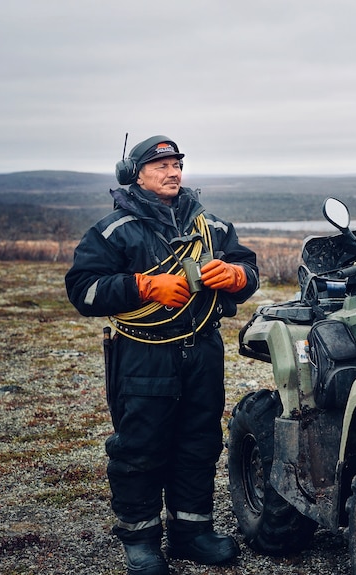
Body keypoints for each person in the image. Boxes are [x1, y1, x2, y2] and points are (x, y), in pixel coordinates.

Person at [65, 135, 259, 575]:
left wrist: (234, 275)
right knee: (140, 446)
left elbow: (250, 272)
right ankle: (141, 541)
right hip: (142, 353)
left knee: (199, 443)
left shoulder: (211, 226)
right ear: (136, 175)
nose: (173, 173)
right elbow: (82, 289)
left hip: (202, 349)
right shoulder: (113, 231)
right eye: (161, 166)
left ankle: (192, 533)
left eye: (177, 165)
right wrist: (142, 286)